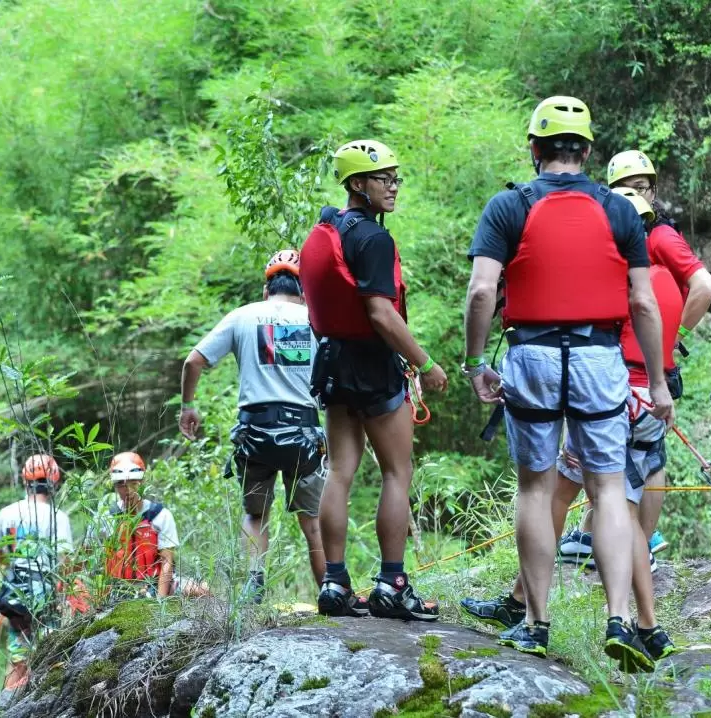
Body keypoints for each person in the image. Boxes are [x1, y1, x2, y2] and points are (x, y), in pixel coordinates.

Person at [462, 96, 673, 672]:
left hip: (530, 354)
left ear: (534, 149)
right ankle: (619, 620)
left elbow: (482, 292)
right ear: (586, 151)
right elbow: (643, 302)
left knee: (536, 487)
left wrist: (474, 361)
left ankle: (536, 625)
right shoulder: (620, 211)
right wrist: (657, 382)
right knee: (608, 489)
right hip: (599, 357)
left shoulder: (508, 206)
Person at [300, 139, 448, 621]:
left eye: (394, 177)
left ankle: (335, 583)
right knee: (396, 472)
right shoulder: (374, 239)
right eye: (384, 178)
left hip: (334, 364)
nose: (393, 186)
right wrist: (425, 364)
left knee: (340, 471)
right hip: (373, 364)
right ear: (358, 184)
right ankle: (392, 582)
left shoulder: (326, 232)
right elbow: (381, 313)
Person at [558, 151, 711, 565]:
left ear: (652, 190)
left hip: (639, 368)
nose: (634, 196)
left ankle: (636, 541)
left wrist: (674, 337)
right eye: (625, 190)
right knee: (634, 454)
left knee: (633, 457)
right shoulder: (629, 238)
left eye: (641, 187)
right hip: (637, 366)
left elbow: (704, 286)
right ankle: (599, 536)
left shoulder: (660, 236)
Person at [180, 250, 326, 603]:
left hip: (255, 434)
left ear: (266, 290)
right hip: (303, 434)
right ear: (304, 290)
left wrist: (187, 405)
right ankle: (330, 589)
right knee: (313, 520)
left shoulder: (241, 317)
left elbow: (193, 361)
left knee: (255, 513)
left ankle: (254, 582)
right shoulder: (316, 320)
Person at [0, 453, 72, 689]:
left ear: (25, 481)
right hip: (45, 591)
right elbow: (66, 560)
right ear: (54, 481)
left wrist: (8, 568)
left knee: (18, 656)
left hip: (15, 590)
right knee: (49, 656)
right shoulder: (58, 517)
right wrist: (65, 593)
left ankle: (6, 708)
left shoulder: (6, 513)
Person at [100, 451, 210, 598]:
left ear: (142, 482)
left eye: (133, 482)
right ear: (114, 484)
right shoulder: (107, 517)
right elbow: (98, 560)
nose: (128, 490)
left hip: (156, 583)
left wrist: (160, 601)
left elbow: (167, 561)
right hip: (120, 588)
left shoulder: (160, 515)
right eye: (121, 484)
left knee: (201, 589)